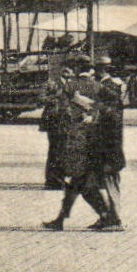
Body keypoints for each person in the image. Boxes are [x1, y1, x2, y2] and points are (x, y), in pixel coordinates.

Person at [41, 86, 110, 230]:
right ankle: (61, 220)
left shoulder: (79, 104)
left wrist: (89, 120)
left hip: (84, 153)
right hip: (78, 153)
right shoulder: (67, 105)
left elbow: (95, 114)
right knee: (78, 189)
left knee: (82, 189)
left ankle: (106, 217)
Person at [92, 73, 127, 230]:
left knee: (111, 186)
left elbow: (111, 139)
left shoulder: (111, 116)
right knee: (107, 185)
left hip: (110, 157)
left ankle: (115, 219)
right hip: (109, 156)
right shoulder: (113, 113)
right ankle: (107, 217)